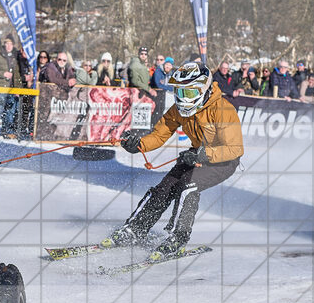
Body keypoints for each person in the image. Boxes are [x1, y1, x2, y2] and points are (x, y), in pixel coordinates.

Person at [102, 61, 244, 258]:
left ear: (204, 89)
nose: (183, 99)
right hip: (196, 154)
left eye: (189, 93)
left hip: (223, 161)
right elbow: (159, 135)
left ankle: (178, 237)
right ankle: (136, 229)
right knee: (165, 187)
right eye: (179, 92)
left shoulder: (223, 110)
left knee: (188, 184)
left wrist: (204, 155)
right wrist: (138, 145)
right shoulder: (178, 110)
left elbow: (235, 149)